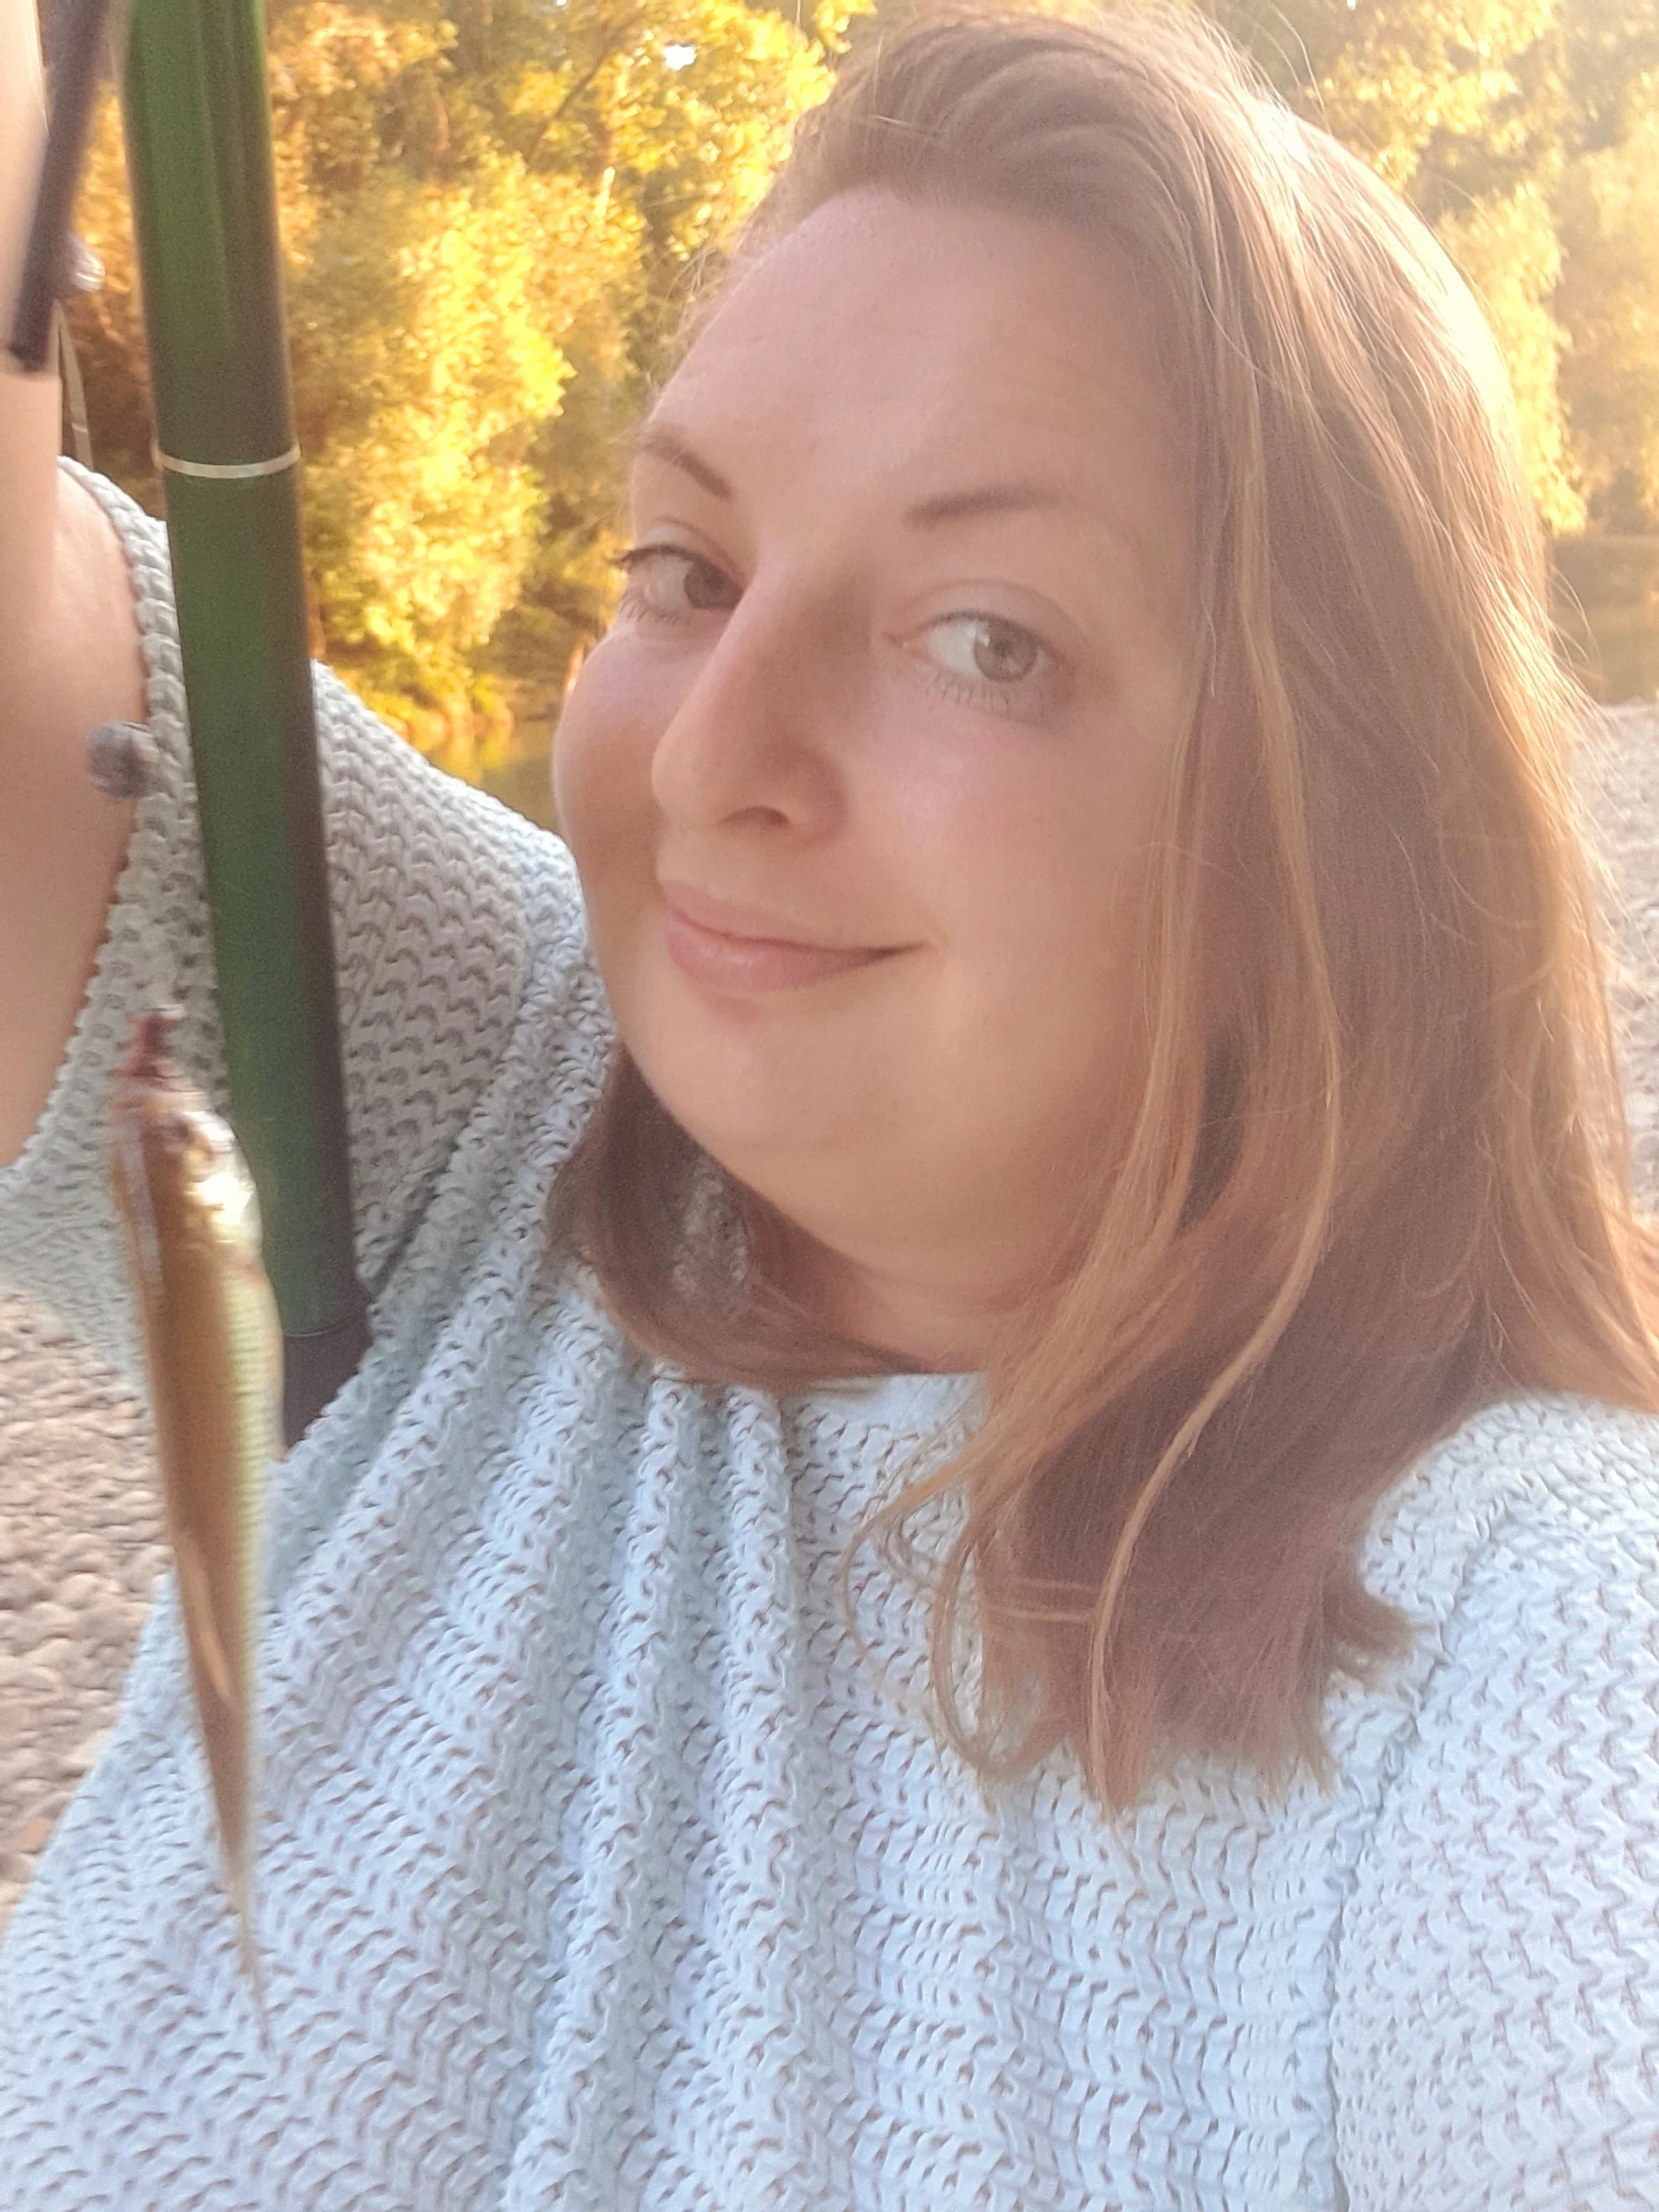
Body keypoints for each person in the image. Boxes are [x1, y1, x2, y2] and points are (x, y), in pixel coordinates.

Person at [3, 3, 1657, 2204]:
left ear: (1340, 832)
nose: (709, 762)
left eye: (985, 639)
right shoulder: (478, 1075)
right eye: (684, 572)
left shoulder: (1543, 1631)